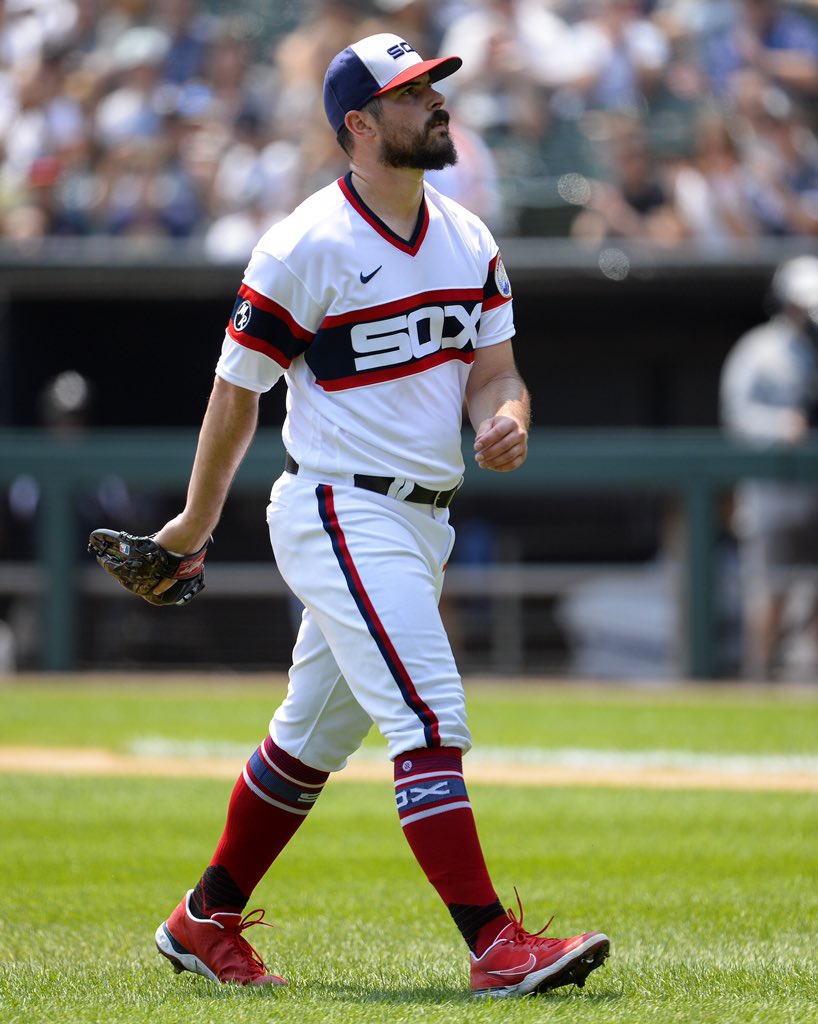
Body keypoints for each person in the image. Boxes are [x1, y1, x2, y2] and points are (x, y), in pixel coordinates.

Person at [149, 32, 610, 999]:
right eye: (411, 94)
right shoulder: (306, 241)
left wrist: (508, 415)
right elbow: (237, 391)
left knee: (308, 739)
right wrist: (193, 527)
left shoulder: (468, 234)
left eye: (434, 86)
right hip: (339, 506)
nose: (435, 102)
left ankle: (204, 917)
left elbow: (494, 370)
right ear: (358, 125)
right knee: (430, 712)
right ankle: (494, 944)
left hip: (422, 520)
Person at [720, 254, 818, 679]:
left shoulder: (814, 353)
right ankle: (758, 681)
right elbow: (735, 417)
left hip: (811, 493)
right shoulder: (758, 350)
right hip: (771, 496)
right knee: (769, 592)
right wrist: (780, 426)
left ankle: (805, 678)